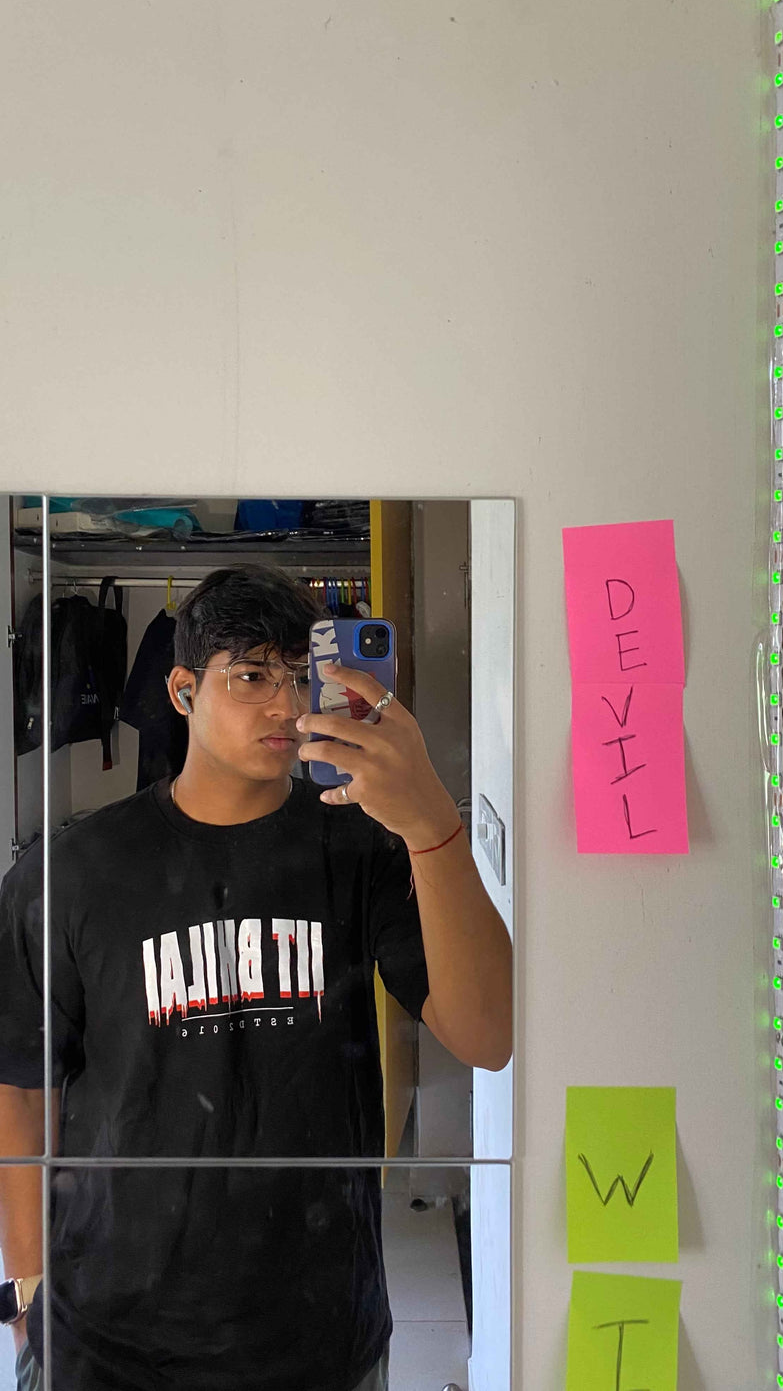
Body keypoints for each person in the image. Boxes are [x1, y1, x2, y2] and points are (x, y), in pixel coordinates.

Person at [0, 564, 512, 1391]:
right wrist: (27, 1281)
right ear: (182, 692)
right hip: (110, 1334)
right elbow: (21, 1086)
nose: (286, 705)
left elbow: (487, 1035)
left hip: (316, 1329)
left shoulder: (361, 848)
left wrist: (431, 825)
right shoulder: (74, 872)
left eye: (301, 676)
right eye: (250, 676)